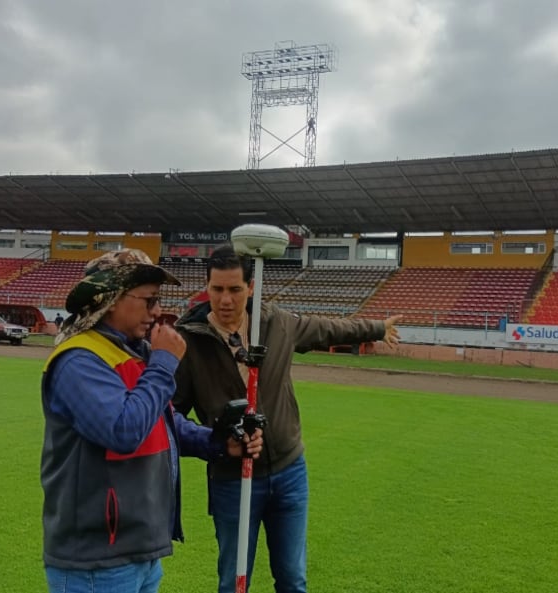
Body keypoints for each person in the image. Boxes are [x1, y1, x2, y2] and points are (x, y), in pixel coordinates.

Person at [173, 244, 401, 593]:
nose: (225, 299)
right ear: (207, 286)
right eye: (216, 289)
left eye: (235, 289)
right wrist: (217, 441)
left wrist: (376, 328)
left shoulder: (275, 323)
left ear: (251, 287)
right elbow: (172, 416)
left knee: (293, 580)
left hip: (289, 472)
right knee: (233, 583)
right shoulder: (188, 341)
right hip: (231, 480)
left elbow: (327, 329)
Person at [40, 249, 262, 593]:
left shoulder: (134, 351)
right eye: (149, 300)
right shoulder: (79, 360)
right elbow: (124, 431)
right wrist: (162, 364)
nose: (158, 312)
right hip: (96, 560)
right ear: (110, 300)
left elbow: (163, 421)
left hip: (137, 549)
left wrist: (217, 442)